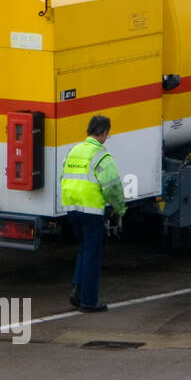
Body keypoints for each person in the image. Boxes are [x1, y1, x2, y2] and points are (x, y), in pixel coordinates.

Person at [60, 114, 126, 312]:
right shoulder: (101, 156)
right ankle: (88, 301)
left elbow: (64, 174)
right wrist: (119, 208)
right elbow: (112, 187)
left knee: (83, 249)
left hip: (71, 207)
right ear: (104, 133)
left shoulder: (74, 150)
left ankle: (78, 290)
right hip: (91, 210)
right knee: (92, 254)